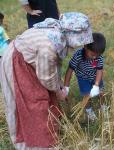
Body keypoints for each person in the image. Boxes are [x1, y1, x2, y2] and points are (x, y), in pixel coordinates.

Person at [0, 12, 93, 149]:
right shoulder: (49, 46)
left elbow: (52, 66)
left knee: (46, 96)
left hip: (31, 60)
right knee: (34, 104)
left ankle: (51, 131)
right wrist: (58, 91)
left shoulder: (59, 33)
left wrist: (59, 83)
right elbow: (47, 77)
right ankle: (36, 144)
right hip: (18, 63)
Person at [64, 32, 107, 121]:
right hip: (83, 79)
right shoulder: (78, 55)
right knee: (87, 96)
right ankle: (89, 111)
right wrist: (66, 86)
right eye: (92, 54)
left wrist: (96, 85)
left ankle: (103, 106)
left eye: (98, 55)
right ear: (85, 46)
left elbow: (99, 70)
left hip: (95, 77)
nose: (95, 57)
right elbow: (70, 70)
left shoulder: (99, 57)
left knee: (102, 92)